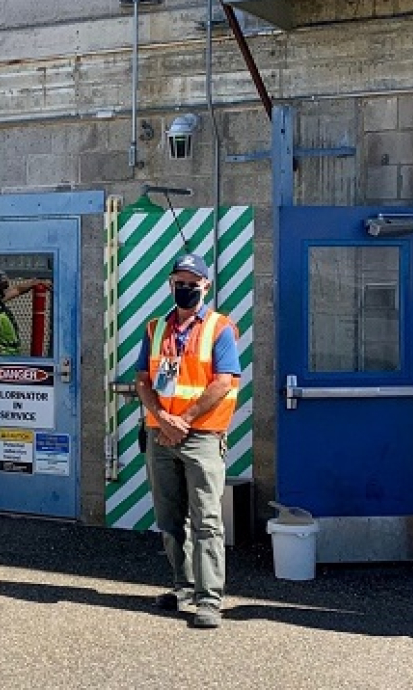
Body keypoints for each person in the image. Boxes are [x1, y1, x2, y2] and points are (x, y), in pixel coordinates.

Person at [134, 252, 241, 629]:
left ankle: (209, 601)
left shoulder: (219, 328)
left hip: (202, 436)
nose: (185, 288)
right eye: (179, 282)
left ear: (206, 286)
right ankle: (183, 589)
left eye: (192, 283)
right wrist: (163, 419)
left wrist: (185, 420)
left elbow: (223, 381)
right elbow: (143, 382)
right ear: (170, 284)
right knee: (169, 519)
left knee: (207, 521)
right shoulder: (154, 329)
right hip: (161, 435)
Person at [0, 270, 42, 356]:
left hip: (12, 351)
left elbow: (17, 289)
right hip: (2, 353)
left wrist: (34, 282)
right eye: (3, 285)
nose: (5, 289)